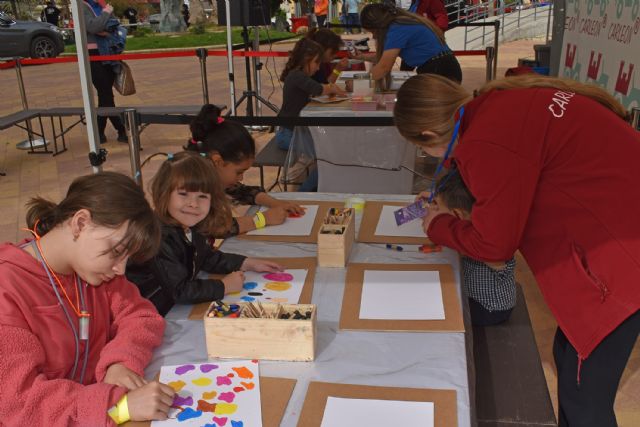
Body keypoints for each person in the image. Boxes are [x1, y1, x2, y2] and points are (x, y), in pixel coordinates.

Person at [394, 73, 640, 426]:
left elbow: (495, 246)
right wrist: (446, 200)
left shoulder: (487, 141)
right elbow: (494, 173)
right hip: (618, 229)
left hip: (622, 260)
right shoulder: (495, 104)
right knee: (568, 361)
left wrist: (438, 226)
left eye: (422, 148)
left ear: (428, 135)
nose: (428, 155)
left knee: (586, 397)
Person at [0, 172, 175, 425]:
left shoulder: (95, 272)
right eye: (116, 252)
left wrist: (120, 362)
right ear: (80, 223)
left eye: (128, 259)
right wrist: (117, 406)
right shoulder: (7, 289)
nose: (121, 270)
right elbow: (20, 401)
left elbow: (141, 316)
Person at [126, 152, 283, 316]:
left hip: (173, 307)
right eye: (183, 194)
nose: (193, 204)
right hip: (152, 312)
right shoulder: (157, 237)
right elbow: (179, 290)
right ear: (164, 193)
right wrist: (223, 287)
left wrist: (246, 262)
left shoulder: (192, 225)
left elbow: (206, 257)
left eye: (202, 196)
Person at [185, 104, 306, 236]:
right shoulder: (189, 187)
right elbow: (214, 227)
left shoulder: (209, 174)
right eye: (239, 172)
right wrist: (263, 219)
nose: (241, 178)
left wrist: (276, 203)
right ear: (217, 161)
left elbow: (243, 192)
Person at [423, 168, 516, 326]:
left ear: (458, 215)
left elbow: (489, 256)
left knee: (434, 309)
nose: (435, 209)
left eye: (438, 208)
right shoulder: (471, 223)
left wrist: (439, 227)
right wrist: (434, 202)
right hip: (472, 293)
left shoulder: (488, 238)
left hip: (489, 308)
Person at [276, 38, 346, 191]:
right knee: (327, 159)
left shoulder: (299, 75)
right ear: (306, 59)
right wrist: (332, 88)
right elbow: (318, 89)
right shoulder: (297, 76)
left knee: (329, 152)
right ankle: (305, 193)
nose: (318, 67)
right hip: (288, 134)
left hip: (295, 131)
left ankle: (317, 186)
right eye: (316, 62)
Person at [356, 3, 461, 84]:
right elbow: (384, 58)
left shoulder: (396, 28)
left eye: (373, 31)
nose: (374, 36)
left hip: (439, 70)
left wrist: (359, 82)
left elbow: (384, 67)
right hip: (443, 67)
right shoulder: (399, 24)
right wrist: (362, 57)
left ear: (377, 24)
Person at [83, 0, 128, 144]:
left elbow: (113, 25)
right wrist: (106, 13)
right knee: (105, 94)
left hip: (108, 51)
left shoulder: (102, 6)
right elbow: (94, 27)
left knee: (106, 95)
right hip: (94, 54)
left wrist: (105, 13)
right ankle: (119, 130)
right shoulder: (82, 6)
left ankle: (100, 132)